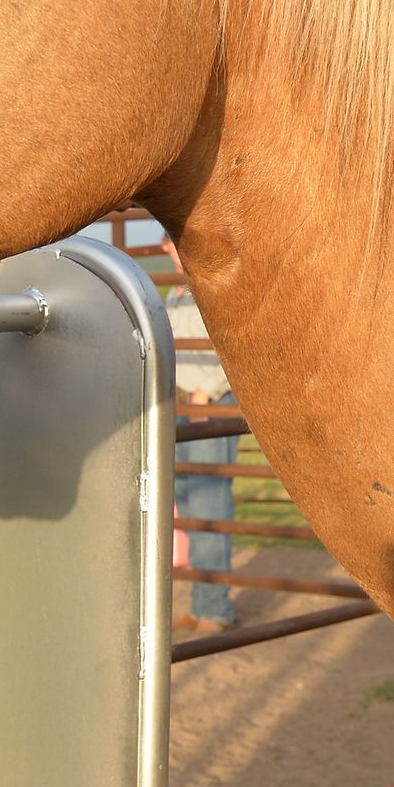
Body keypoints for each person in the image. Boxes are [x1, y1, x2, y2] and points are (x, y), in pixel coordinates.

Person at [158, 246, 235, 635]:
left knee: (208, 504)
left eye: (172, 243)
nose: (170, 249)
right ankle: (203, 603)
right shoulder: (176, 290)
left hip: (211, 404)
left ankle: (215, 609)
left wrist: (205, 390)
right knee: (188, 501)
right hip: (187, 404)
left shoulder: (211, 285)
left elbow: (233, 348)